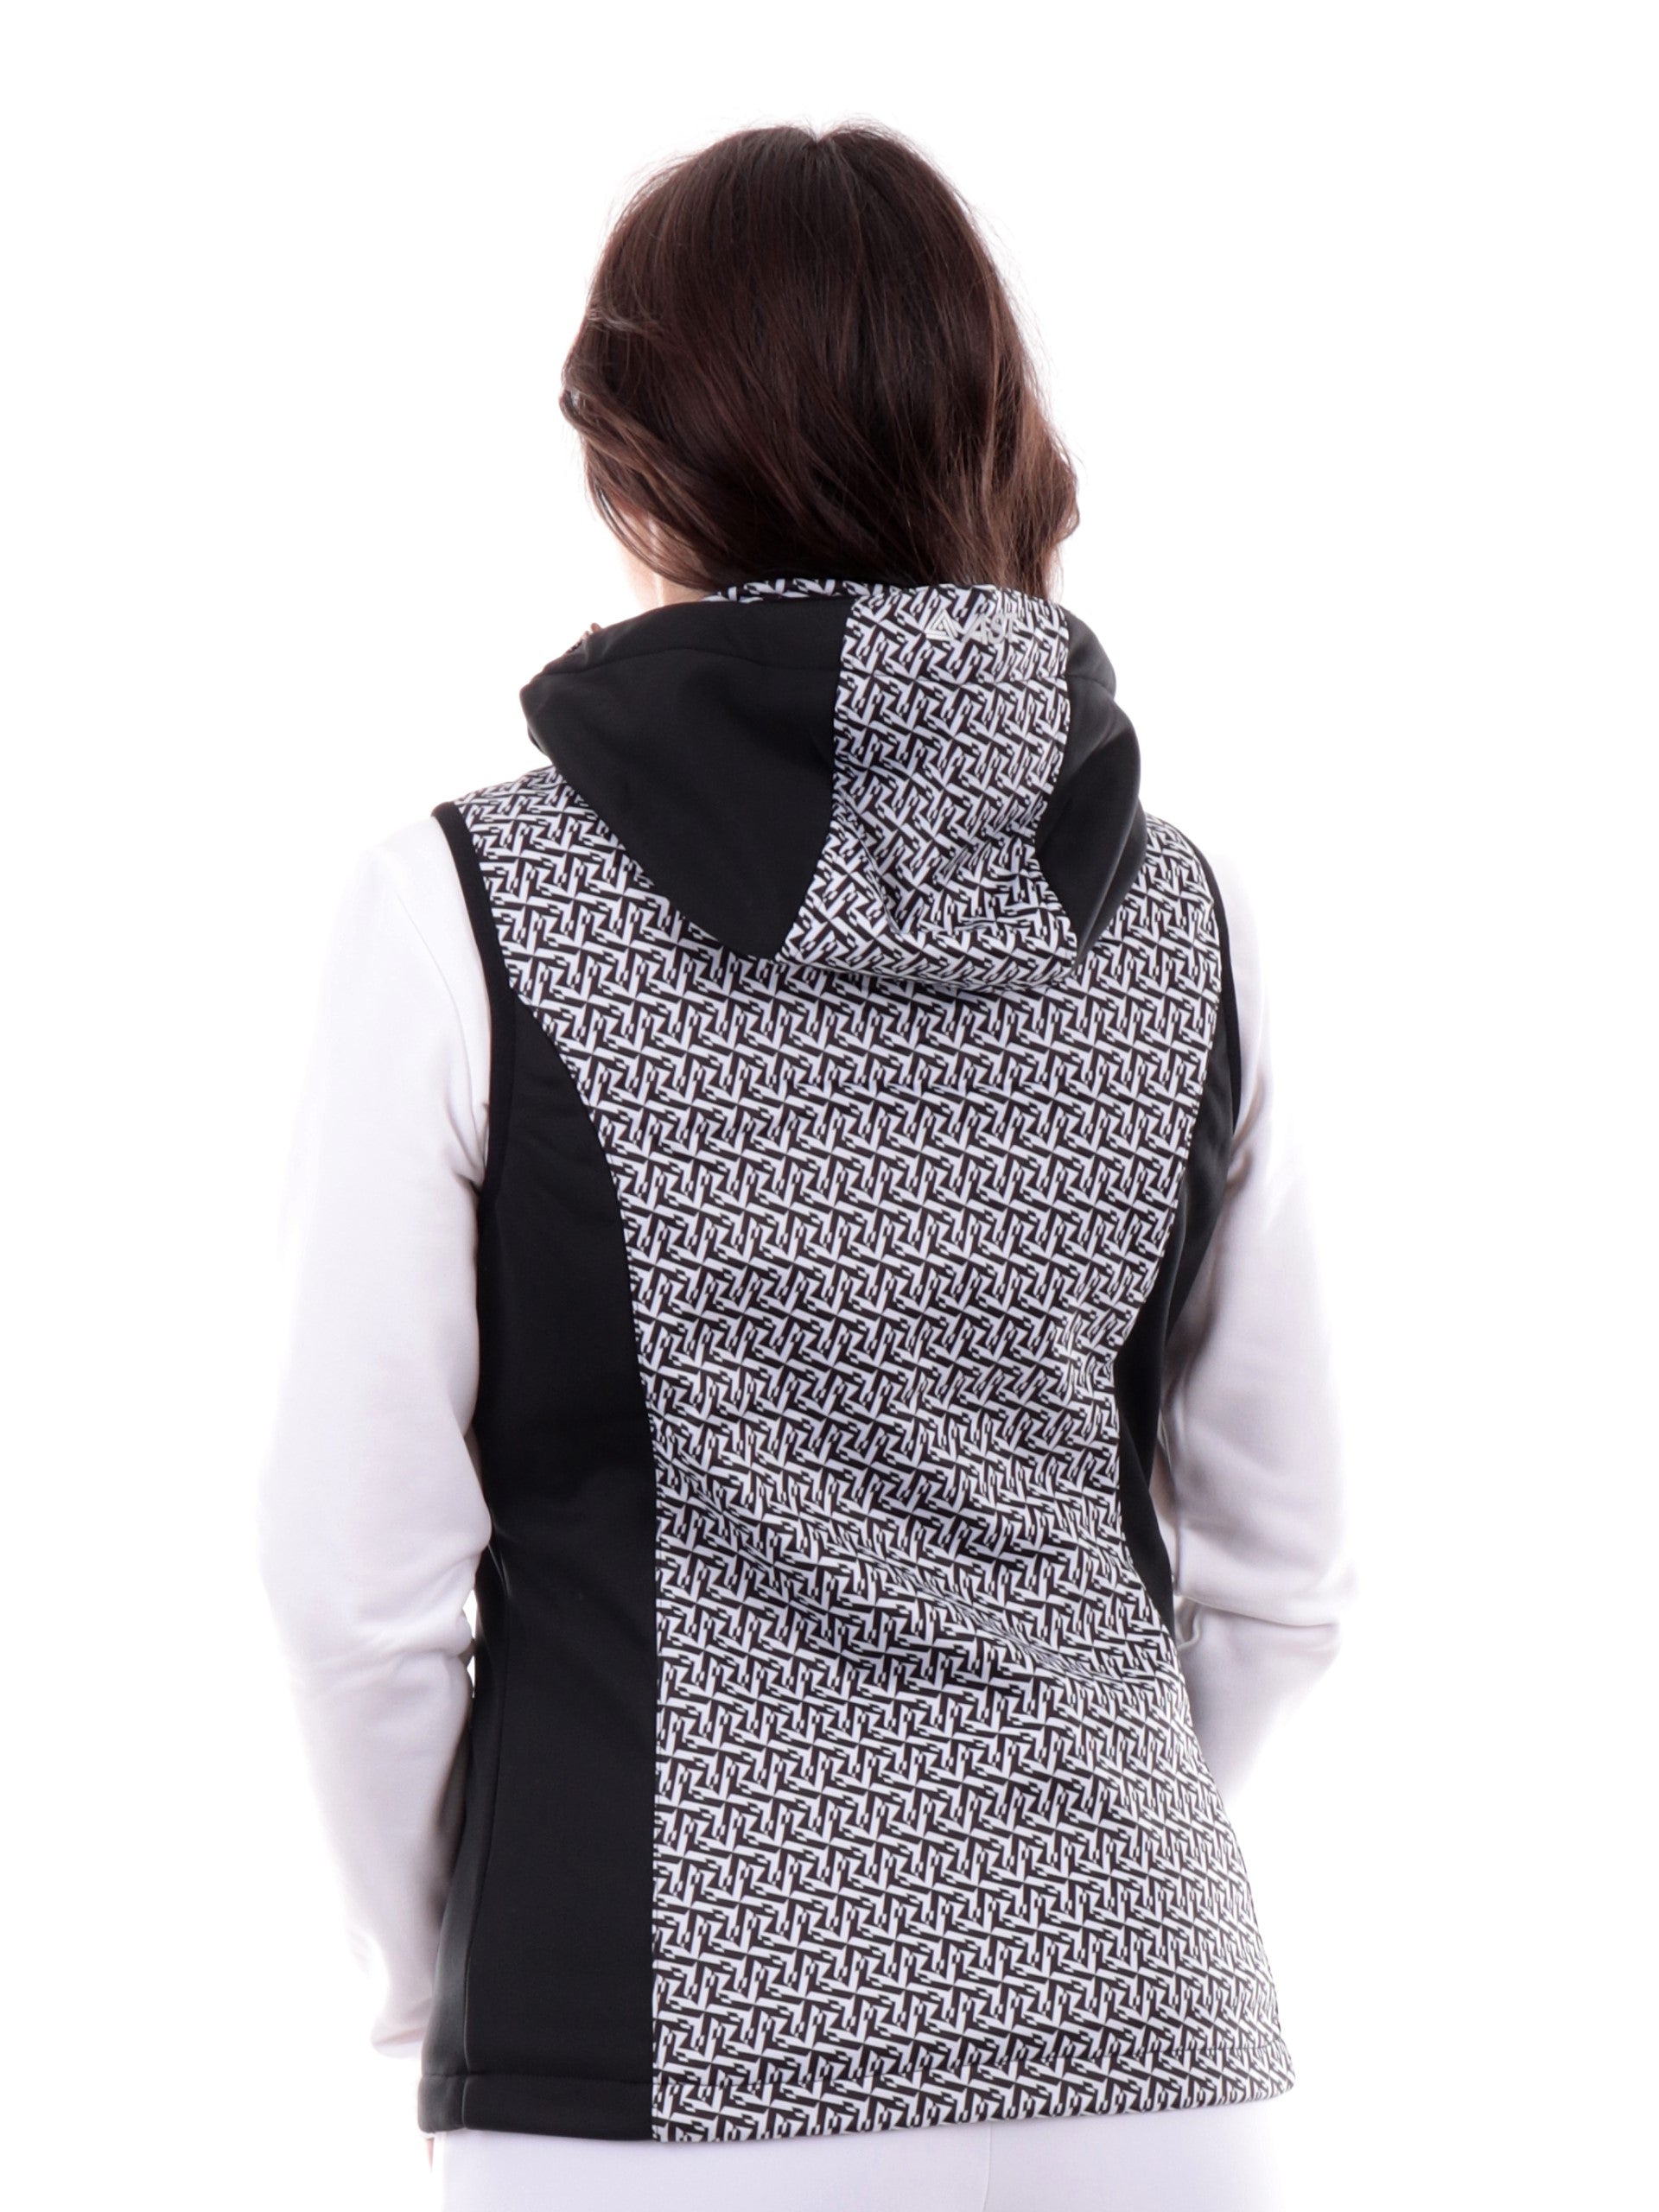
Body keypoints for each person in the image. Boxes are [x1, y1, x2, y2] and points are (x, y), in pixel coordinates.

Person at [254, 120, 1356, 2212]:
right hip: (1154, 2044)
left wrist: (449, 1980)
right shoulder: (1194, 922)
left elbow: (355, 1586)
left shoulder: (459, 910)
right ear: (997, 443)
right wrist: (1052, 1887)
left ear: (637, 462)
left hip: (637, 2061)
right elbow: (1286, 1578)